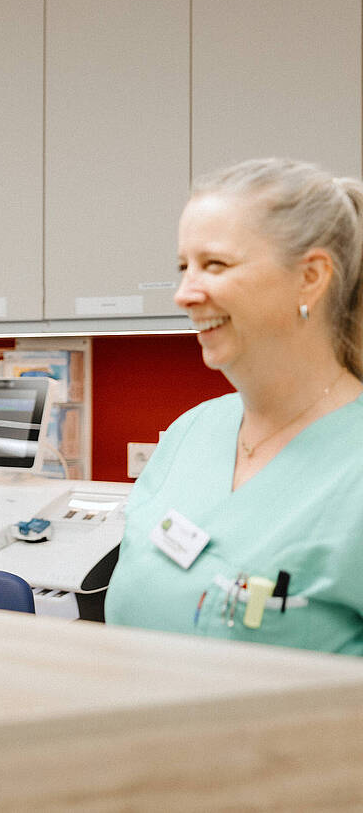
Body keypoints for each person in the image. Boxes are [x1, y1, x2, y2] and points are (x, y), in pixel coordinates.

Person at [105, 158, 363, 655]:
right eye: (183, 267)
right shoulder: (191, 433)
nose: (183, 294)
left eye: (214, 265)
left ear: (310, 276)